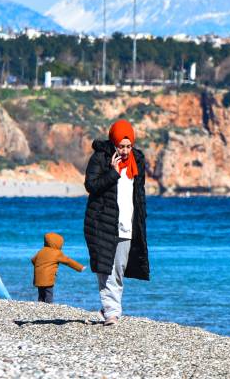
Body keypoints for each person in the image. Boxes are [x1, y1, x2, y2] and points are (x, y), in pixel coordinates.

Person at [84, 119, 150, 326]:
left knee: (119, 269)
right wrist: (112, 172)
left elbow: (139, 191)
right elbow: (91, 186)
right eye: (121, 146)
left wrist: (141, 217)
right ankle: (112, 312)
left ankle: (109, 308)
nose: (125, 151)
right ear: (113, 143)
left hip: (128, 222)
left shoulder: (137, 160)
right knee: (106, 268)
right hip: (102, 222)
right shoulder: (100, 159)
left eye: (128, 146)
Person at [31, 232, 86, 303]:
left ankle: (40, 305)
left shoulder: (41, 251)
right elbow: (68, 261)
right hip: (48, 279)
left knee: (41, 293)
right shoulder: (57, 253)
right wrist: (80, 268)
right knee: (49, 293)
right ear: (58, 243)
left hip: (38, 277)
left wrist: (40, 267)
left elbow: (33, 260)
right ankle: (49, 306)